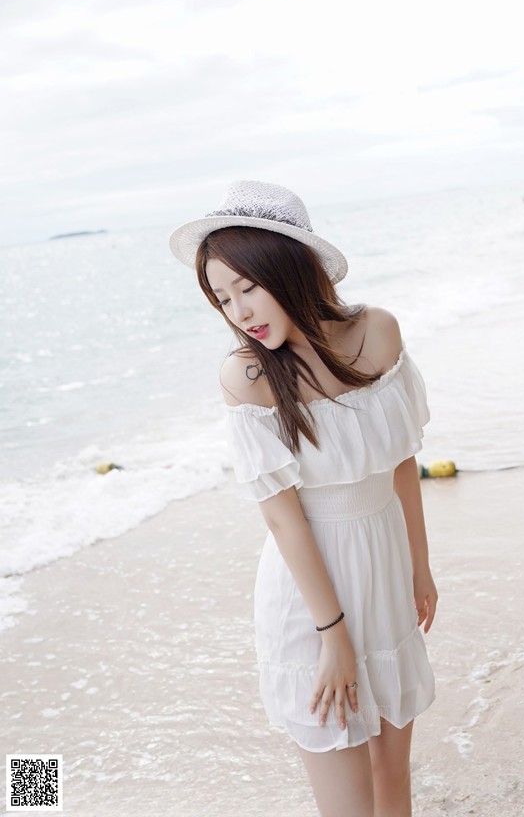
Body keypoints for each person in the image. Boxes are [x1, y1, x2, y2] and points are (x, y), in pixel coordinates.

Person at [169, 180, 438, 817]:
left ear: (294, 269)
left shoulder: (379, 332)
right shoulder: (251, 376)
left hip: (383, 570)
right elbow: (284, 522)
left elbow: (402, 461)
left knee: (393, 783)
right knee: (349, 805)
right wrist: (333, 636)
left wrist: (419, 567)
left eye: (248, 287)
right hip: (310, 601)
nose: (239, 311)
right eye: (223, 297)